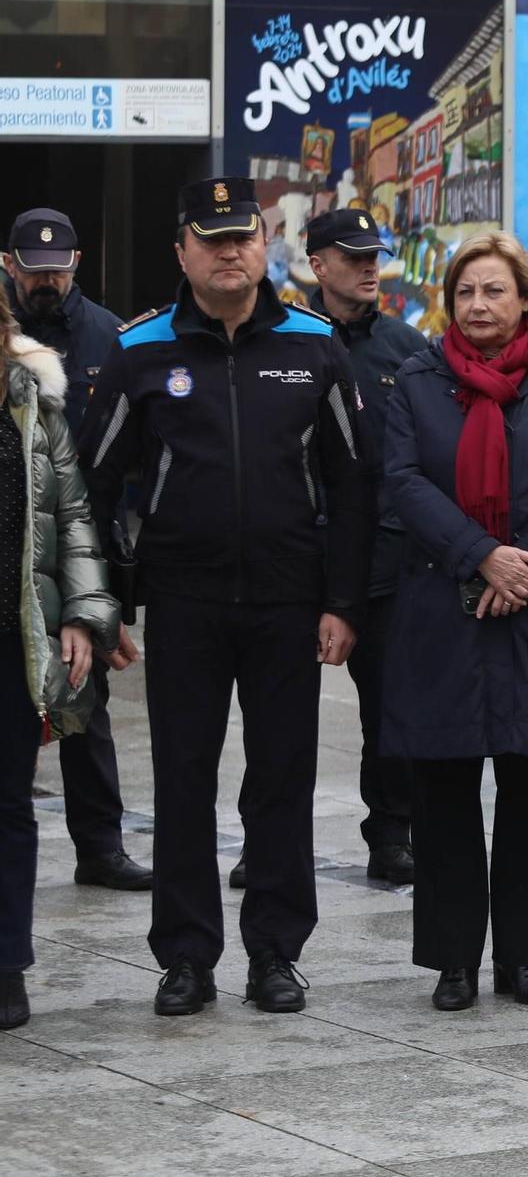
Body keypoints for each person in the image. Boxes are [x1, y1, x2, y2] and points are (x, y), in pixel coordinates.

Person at [79, 178, 372, 1017]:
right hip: (184, 604)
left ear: (263, 245)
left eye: (242, 237)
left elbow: (356, 487)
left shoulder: (317, 346)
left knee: (280, 780)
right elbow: (89, 489)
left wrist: (343, 601)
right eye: (211, 240)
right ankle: (185, 957)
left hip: (289, 603)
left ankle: (275, 952)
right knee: (181, 779)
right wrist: (108, 605)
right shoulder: (143, 349)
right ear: (183, 253)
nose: (230, 252)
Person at [379, 232, 528, 1011]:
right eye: (466, 292)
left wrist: (523, 564)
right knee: (443, 791)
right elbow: (404, 480)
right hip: (445, 605)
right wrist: (481, 555)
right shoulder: (417, 377)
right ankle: (453, 959)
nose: (478, 305)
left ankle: (525, 957)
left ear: (526, 299)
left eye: (494, 291)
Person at [2, 209, 148, 891]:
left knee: (83, 690)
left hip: (85, 539)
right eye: (33, 266)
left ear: (78, 262)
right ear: (10, 265)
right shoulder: (6, 340)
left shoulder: (109, 334)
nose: (46, 279)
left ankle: (101, 845)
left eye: (58, 268)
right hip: (18, 539)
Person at [0, 295, 122, 1030]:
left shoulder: (36, 401)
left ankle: (6, 961)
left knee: (10, 802)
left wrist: (83, 615)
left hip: (12, 636)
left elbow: (74, 515)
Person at [299, 207, 426, 884]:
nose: (370, 266)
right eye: (352, 256)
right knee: (280, 715)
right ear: (317, 264)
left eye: (375, 254)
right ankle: (276, 838)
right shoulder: (285, 342)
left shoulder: (408, 349)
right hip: (297, 555)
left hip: (384, 559)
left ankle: (393, 833)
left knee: (391, 710)